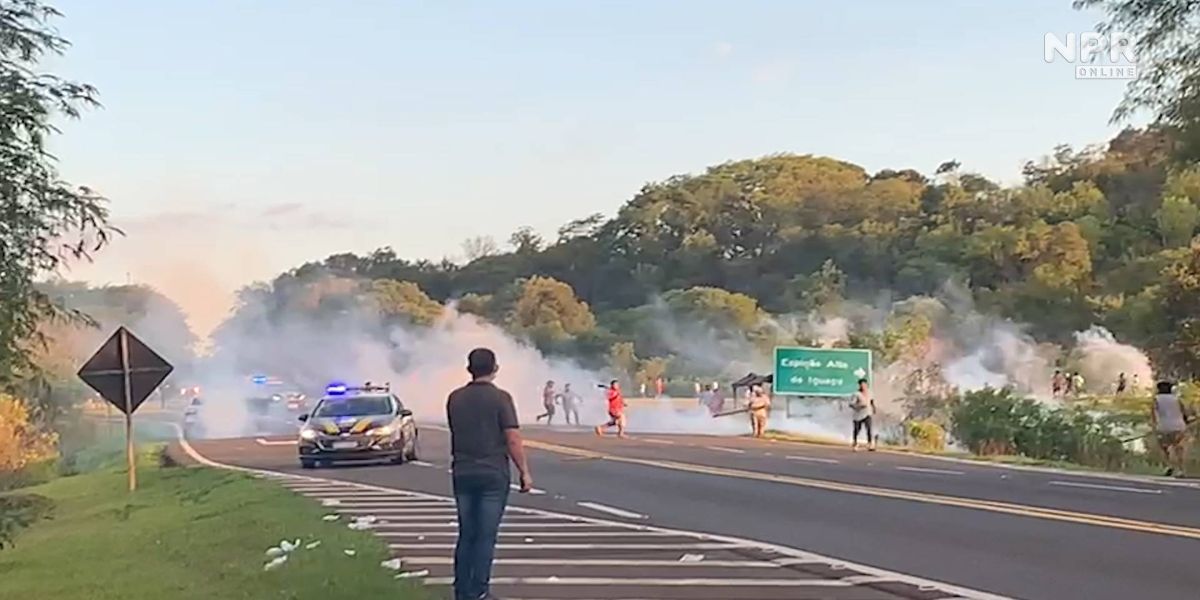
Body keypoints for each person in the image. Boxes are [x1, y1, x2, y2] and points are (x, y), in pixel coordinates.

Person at [447, 348, 533, 600]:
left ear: (469, 369)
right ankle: (479, 590)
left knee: (467, 533)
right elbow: (513, 438)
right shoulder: (501, 398)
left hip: (462, 471)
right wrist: (524, 472)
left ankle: (461, 590)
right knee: (485, 534)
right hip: (493, 472)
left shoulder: (455, 398)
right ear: (495, 369)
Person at [1151, 380, 1194, 478]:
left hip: (1164, 426)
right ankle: (1181, 470)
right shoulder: (1176, 398)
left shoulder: (1156, 399)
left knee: (1164, 447)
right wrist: (1187, 421)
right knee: (1179, 448)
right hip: (1179, 426)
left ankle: (1169, 465)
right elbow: (1185, 412)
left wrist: (1154, 426)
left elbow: (1154, 414)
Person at [849, 378, 875, 451]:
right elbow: (851, 404)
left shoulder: (870, 393)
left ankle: (870, 444)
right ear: (860, 386)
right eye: (862, 385)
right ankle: (855, 443)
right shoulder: (856, 394)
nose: (863, 386)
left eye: (864, 385)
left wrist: (873, 408)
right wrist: (859, 406)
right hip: (858, 415)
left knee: (869, 428)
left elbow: (872, 401)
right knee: (857, 429)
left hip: (868, 413)